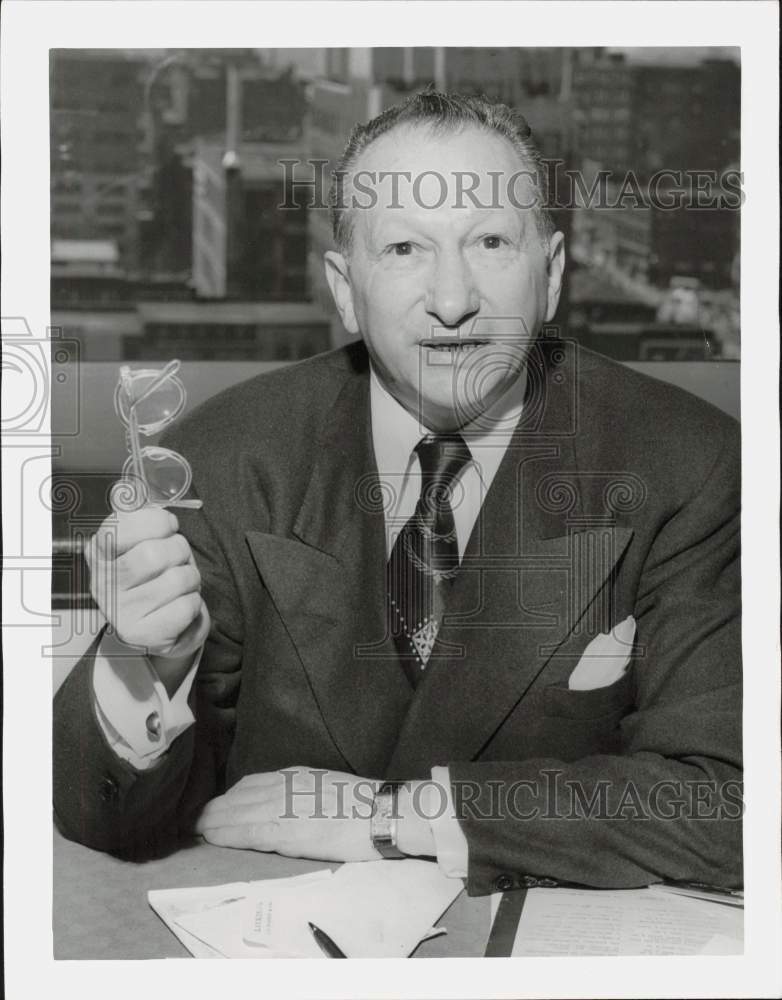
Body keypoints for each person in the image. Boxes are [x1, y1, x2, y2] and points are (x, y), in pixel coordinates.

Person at [53, 91, 742, 897]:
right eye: (406, 249)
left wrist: (396, 814)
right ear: (344, 289)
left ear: (551, 273)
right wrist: (146, 661)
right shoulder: (228, 456)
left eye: (490, 240)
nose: (453, 300)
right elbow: (109, 818)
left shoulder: (684, 462)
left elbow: (727, 804)